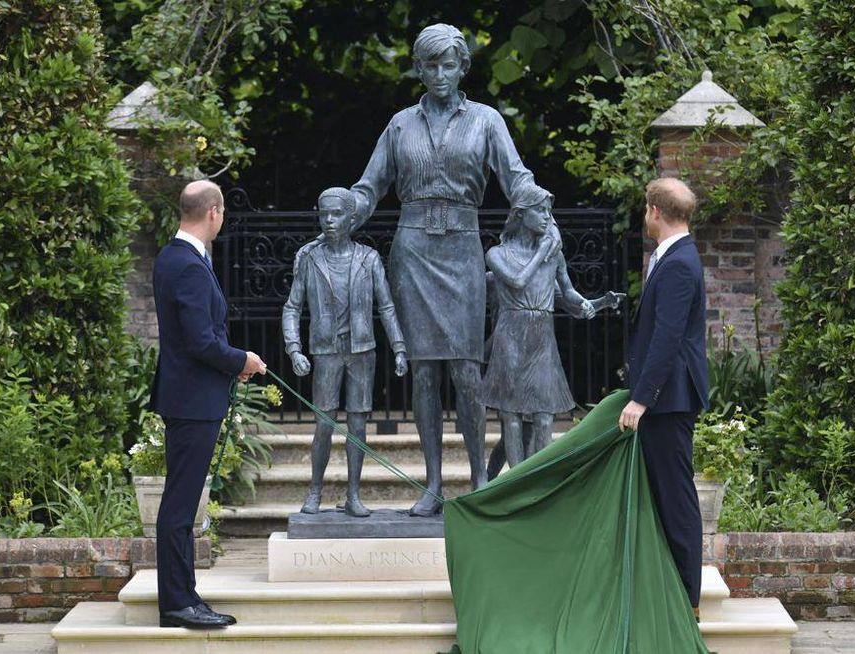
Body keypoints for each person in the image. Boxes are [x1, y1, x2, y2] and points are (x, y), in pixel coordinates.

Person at [342, 24, 560, 516]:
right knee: (423, 372)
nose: (439, 74)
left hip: (462, 250)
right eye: (430, 65)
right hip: (413, 251)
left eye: (449, 65)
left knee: (466, 369)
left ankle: (481, 478)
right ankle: (434, 482)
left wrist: (543, 212)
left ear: (463, 68)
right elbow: (369, 186)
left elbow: (515, 177)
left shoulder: (486, 121)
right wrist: (343, 213)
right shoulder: (400, 125)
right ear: (418, 69)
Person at [149, 180, 266, 629]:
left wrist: (228, 365)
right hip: (194, 401)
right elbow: (200, 341)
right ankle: (178, 604)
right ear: (213, 212)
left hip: (190, 395)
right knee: (180, 506)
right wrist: (244, 360)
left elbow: (192, 337)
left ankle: (184, 596)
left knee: (180, 503)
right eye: (222, 214)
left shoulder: (171, 257)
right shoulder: (190, 267)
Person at [282, 187, 408, 517]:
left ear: (352, 219)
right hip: (326, 351)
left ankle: (353, 494)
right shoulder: (310, 258)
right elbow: (292, 308)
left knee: (358, 425)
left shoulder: (368, 259)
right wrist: (294, 349)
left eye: (336, 214)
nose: (329, 221)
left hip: (362, 350)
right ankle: (315, 491)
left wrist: (399, 347)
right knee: (323, 424)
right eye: (324, 214)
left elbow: (387, 306)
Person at [618, 176, 710, 617]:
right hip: (665, 397)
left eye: (644, 209)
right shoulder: (671, 256)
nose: (644, 216)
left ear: (655, 211)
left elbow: (667, 339)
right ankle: (670, 594)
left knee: (676, 498)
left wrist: (642, 398)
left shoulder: (677, 263)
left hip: (669, 400)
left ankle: (687, 602)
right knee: (665, 495)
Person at [478, 185, 600, 468]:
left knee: (544, 413)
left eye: (549, 211)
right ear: (520, 214)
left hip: (542, 334)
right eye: (540, 210)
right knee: (512, 415)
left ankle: (539, 479)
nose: (547, 217)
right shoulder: (497, 254)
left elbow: (567, 292)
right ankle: (516, 481)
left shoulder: (554, 256)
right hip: (511, 332)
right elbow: (517, 282)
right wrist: (543, 250)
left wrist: (590, 303)